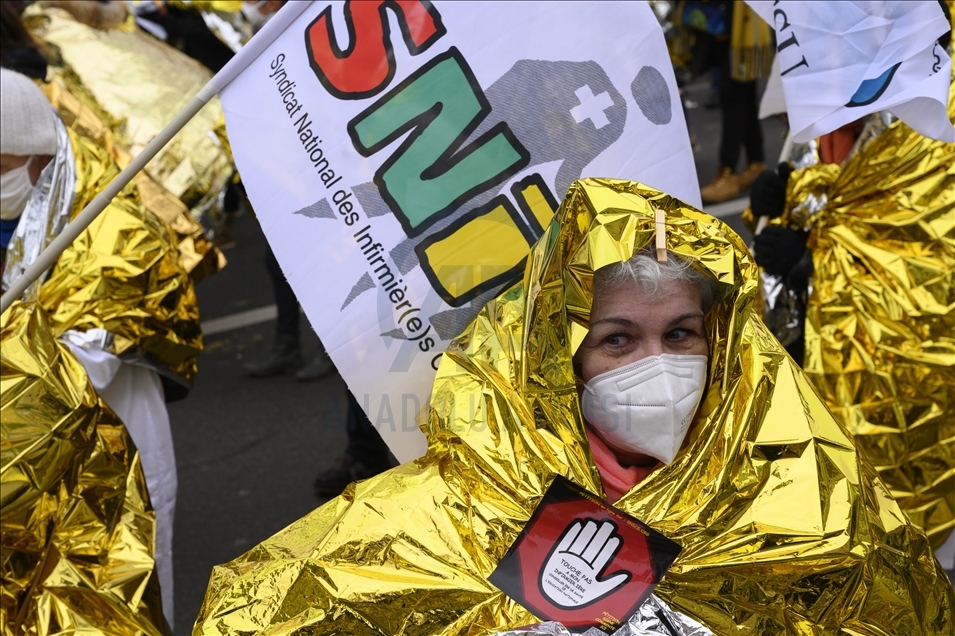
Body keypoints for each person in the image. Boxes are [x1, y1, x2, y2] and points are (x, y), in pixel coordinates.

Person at [194, 179, 952, 635]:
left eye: (681, 334)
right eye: (617, 340)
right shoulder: (460, 511)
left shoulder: (799, 494)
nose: (657, 367)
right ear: (560, 358)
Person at [1, 67, 203, 630]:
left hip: (114, 453)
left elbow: (84, 356)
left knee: (116, 598)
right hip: (26, 472)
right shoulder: (20, 210)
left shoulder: (113, 218)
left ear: (33, 157)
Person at [746, 41, 955, 563]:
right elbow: (819, 179)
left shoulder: (935, 93)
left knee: (911, 539)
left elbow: (931, 255)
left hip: (898, 366)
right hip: (820, 353)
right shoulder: (825, 54)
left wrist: (819, 262)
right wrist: (776, 206)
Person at [692, 2, 772, 204]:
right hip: (726, 23)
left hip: (743, 25)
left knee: (733, 94)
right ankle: (756, 161)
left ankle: (727, 170)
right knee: (743, 94)